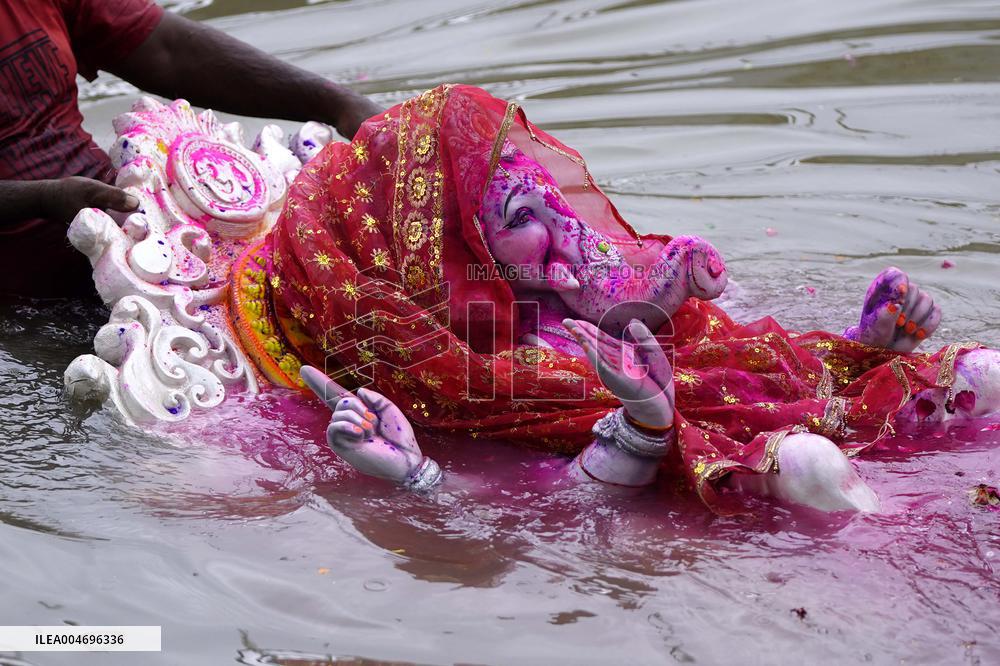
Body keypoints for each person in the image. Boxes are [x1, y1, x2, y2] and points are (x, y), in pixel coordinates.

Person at [218, 84, 998, 514]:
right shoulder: (454, 380)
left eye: (551, 196)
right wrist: (420, 479)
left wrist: (867, 346)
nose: (566, 229)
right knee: (808, 466)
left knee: (983, 374)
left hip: (769, 462)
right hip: (749, 504)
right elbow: (546, 516)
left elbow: (735, 360)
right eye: (521, 219)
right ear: (449, 253)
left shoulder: (567, 307)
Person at [0, 0, 377, 297]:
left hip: (129, 228)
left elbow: (170, 51)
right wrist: (42, 198)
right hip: (27, 297)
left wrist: (340, 106)